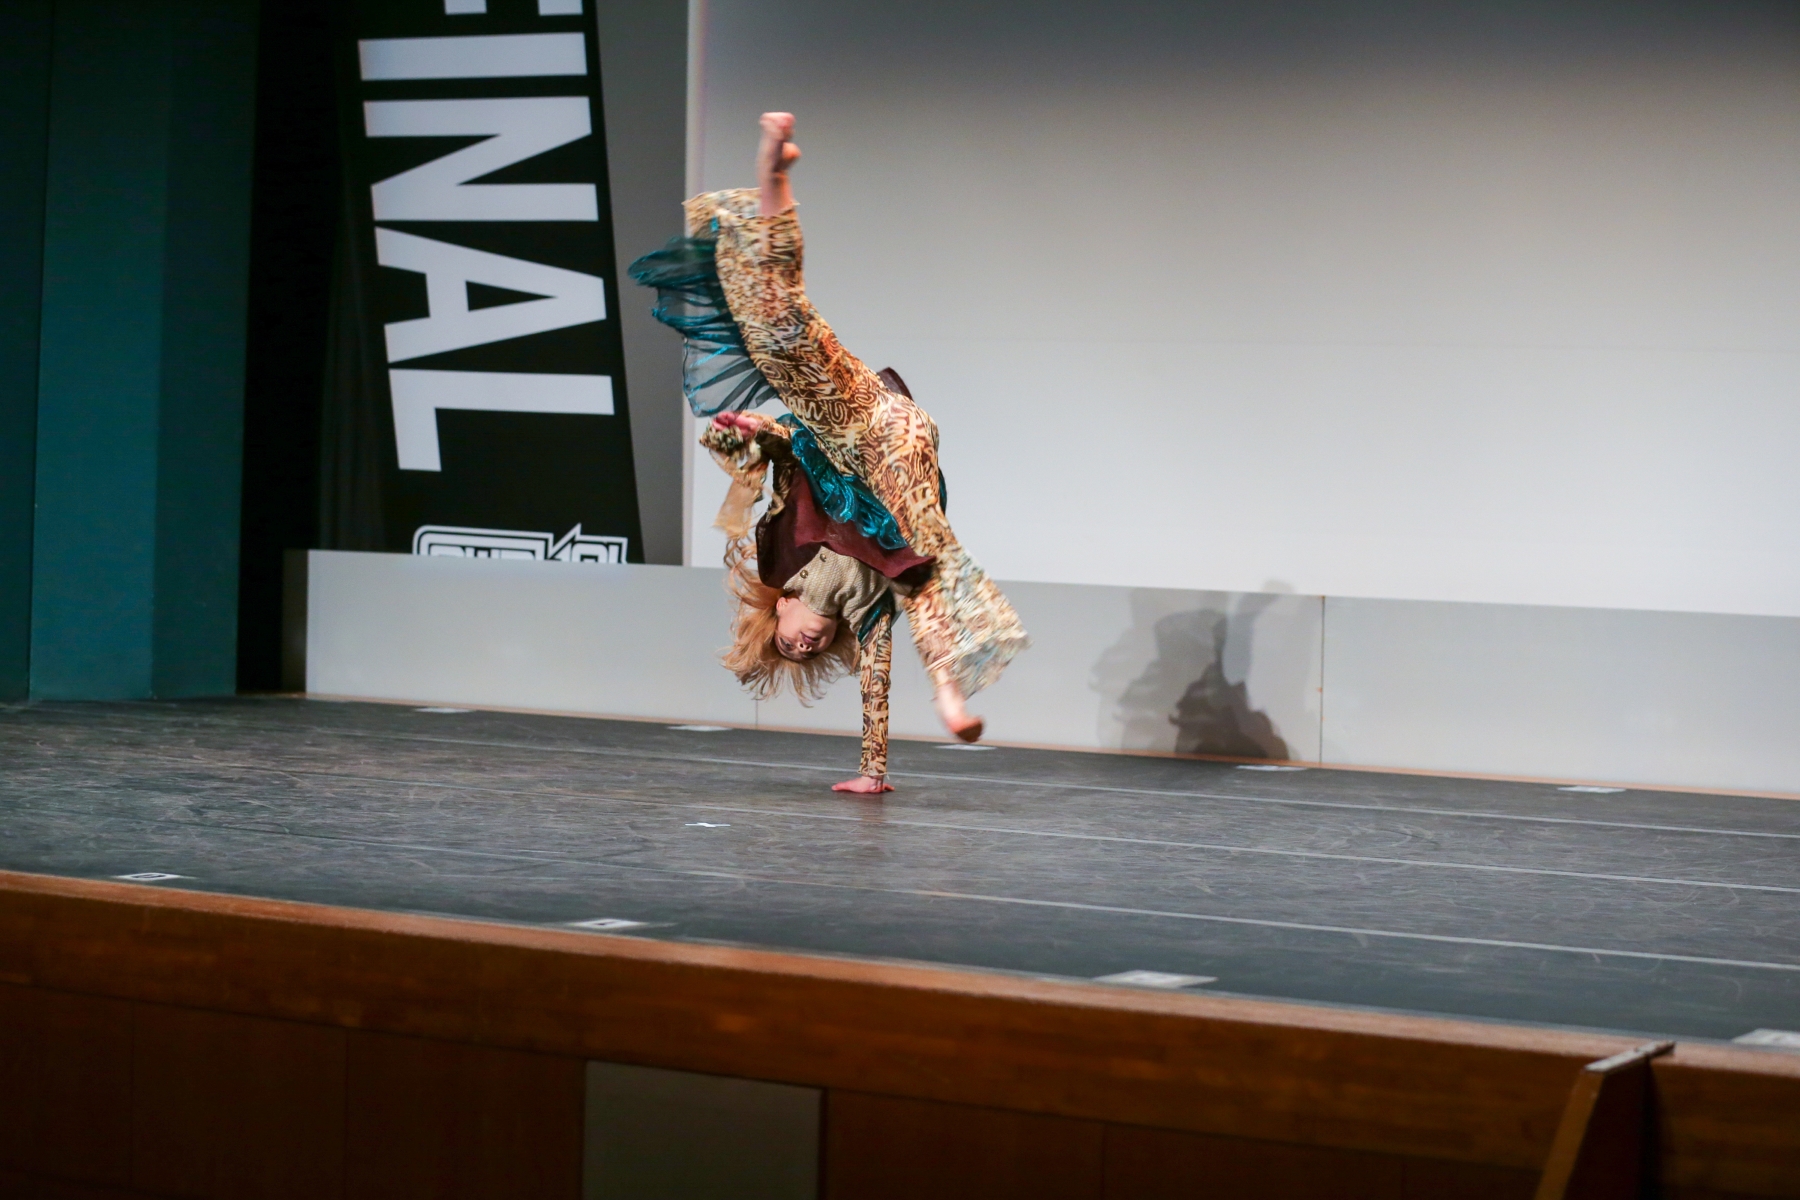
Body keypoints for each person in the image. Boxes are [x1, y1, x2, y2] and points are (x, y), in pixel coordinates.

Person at [631, 113, 1028, 793]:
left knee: (775, 323)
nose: (803, 644)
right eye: (806, 653)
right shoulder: (862, 612)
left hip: (855, 417)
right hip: (893, 458)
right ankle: (950, 696)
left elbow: (785, 452)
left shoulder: (784, 555)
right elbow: (875, 681)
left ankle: (774, 177)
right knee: (923, 567)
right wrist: (873, 771)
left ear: (779, 610)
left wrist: (747, 429)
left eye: (786, 641)